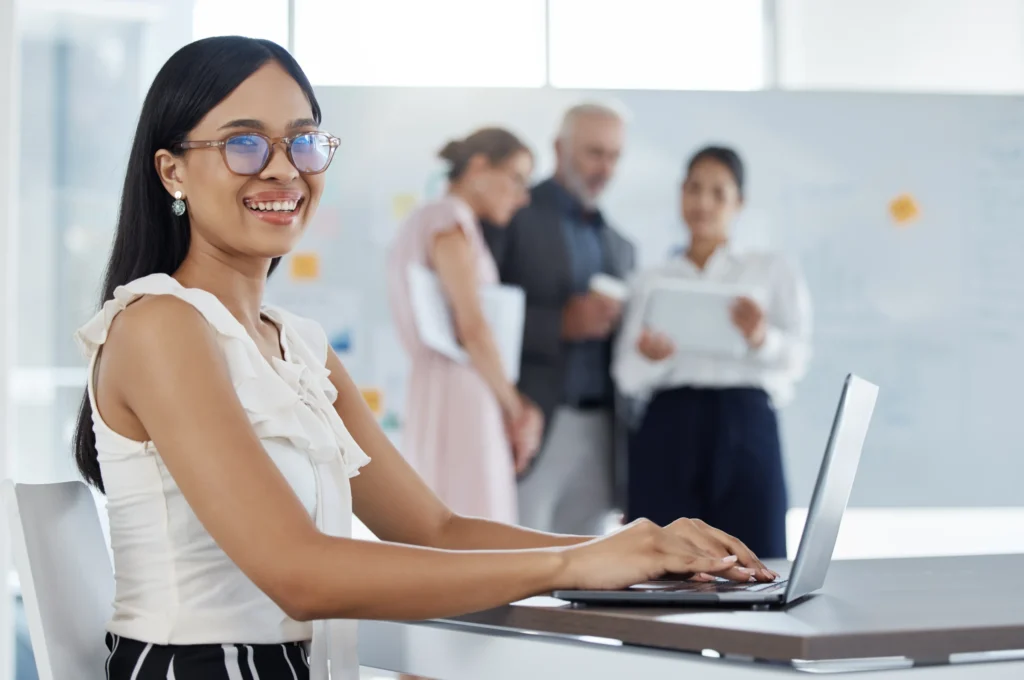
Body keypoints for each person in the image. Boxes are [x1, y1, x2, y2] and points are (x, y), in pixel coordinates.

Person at [72, 38, 774, 679]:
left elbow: (435, 529)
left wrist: (635, 553)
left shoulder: (297, 343)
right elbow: (298, 571)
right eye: (244, 143)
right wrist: (574, 562)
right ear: (172, 172)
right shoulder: (160, 324)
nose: (285, 169)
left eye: (303, 142)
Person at [613, 146, 812, 559]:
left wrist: (761, 337)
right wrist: (651, 358)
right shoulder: (652, 279)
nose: (703, 203)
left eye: (718, 193)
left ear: (739, 202)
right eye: (694, 189)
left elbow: (797, 359)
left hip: (747, 426)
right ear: (680, 194)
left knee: (757, 561)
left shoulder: (772, 270)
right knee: (658, 566)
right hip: (668, 428)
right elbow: (625, 375)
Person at [484, 103, 635, 536]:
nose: (604, 167)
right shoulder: (514, 215)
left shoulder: (621, 244)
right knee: (520, 560)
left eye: (614, 156)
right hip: (533, 422)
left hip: (604, 432)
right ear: (558, 148)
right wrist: (560, 324)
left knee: (589, 569)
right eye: (594, 153)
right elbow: (475, 316)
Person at [386, 127, 543, 525]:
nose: (523, 197)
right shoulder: (448, 219)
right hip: (462, 393)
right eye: (517, 179)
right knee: (473, 520)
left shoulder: (430, 220)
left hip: (438, 390)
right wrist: (515, 408)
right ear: (478, 167)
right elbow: (470, 326)